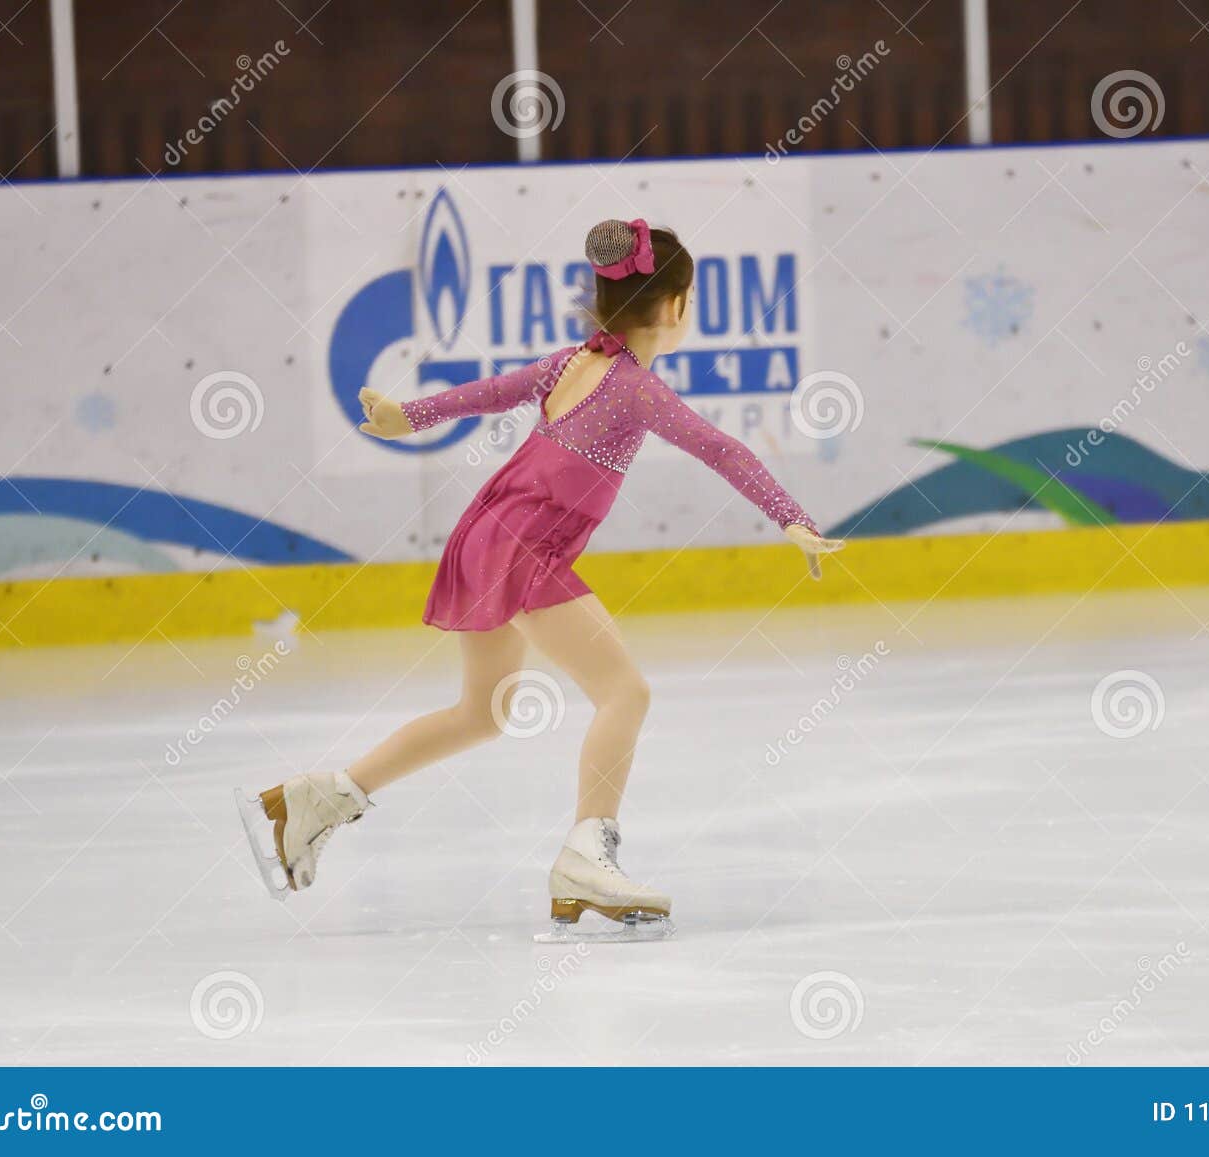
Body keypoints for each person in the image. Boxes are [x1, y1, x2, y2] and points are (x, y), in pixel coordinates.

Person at [242, 219, 843, 936]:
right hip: (526, 550)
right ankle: (589, 853)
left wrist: (411, 415)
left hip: (487, 536)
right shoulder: (632, 388)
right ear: (677, 305)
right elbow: (721, 449)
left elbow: (491, 392)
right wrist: (790, 515)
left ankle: (322, 797)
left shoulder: (571, 364)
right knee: (625, 691)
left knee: (482, 713)